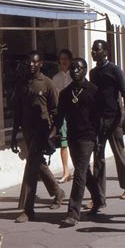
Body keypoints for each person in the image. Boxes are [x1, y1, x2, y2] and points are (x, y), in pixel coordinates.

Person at [10, 50, 65, 223]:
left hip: (43, 130)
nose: (31, 65)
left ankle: (28, 209)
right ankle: (58, 192)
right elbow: (17, 112)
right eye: (29, 62)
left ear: (40, 63)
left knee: (32, 167)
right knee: (38, 163)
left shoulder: (47, 84)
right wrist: (13, 136)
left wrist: (55, 133)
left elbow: (57, 111)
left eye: (35, 62)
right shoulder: (22, 83)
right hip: (27, 131)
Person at [51, 57, 104, 227]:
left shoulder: (93, 91)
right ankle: (98, 199)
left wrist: (98, 138)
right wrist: (52, 133)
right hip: (72, 137)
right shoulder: (65, 93)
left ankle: (73, 213)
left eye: (78, 68)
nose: (75, 71)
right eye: (72, 68)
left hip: (88, 137)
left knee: (79, 173)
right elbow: (59, 118)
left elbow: (99, 118)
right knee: (84, 172)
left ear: (85, 70)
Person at [90, 40, 125, 203]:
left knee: (119, 153)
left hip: (114, 119)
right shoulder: (93, 73)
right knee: (98, 157)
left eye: (97, 49)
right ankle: (98, 194)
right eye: (93, 49)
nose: (94, 52)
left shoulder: (114, 69)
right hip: (99, 121)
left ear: (106, 52)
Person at [52, 49, 73, 183]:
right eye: (61, 58)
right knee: (64, 142)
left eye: (66, 58)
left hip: (76, 113)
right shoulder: (56, 78)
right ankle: (66, 171)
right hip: (63, 113)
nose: (63, 61)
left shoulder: (75, 74)